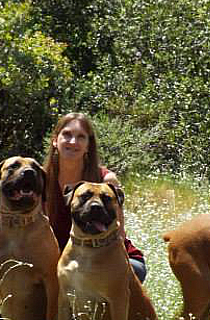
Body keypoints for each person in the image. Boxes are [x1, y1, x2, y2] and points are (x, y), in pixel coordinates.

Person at [42, 112, 148, 283]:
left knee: (131, 271)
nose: (73, 142)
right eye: (67, 135)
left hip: (106, 258)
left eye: (81, 137)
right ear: (55, 140)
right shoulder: (41, 179)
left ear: (88, 145)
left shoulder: (106, 181)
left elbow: (118, 235)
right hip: (61, 261)